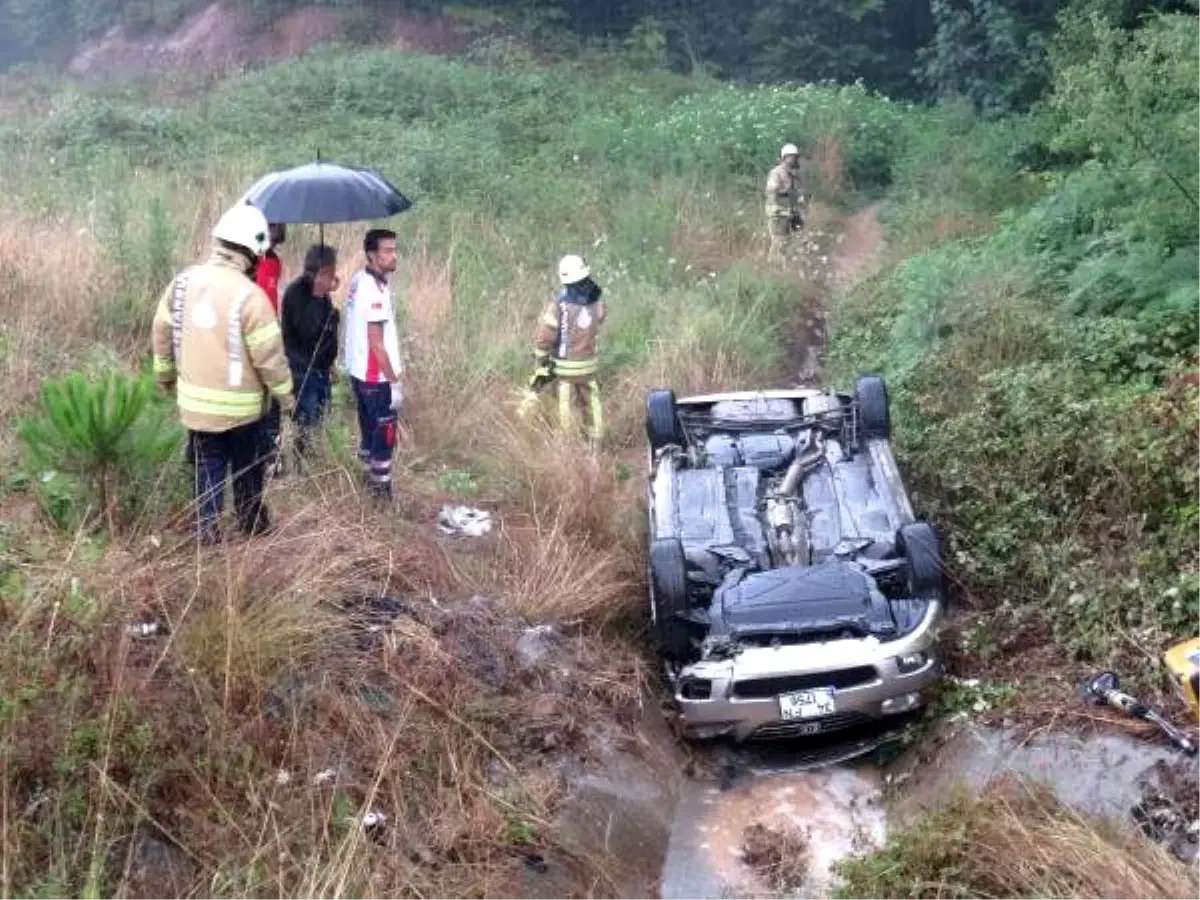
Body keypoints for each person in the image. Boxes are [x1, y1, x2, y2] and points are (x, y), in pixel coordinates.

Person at [151, 202, 294, 545]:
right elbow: (270, 359)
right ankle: (250, 526)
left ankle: (207, 531)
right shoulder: (252, 297)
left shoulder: (181, 284)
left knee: (207, 467)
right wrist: (286, 396)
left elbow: (161, 332)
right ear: (252, 251)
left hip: (196, 406)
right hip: (242, 411)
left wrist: (166, 378)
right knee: (248, 469)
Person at [343, 228, 405, 502]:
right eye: (387, 251)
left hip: (359, 373)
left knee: (369, 433)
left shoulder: (360, 280)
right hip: (375, 377)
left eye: (395, 249)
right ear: (371, 255)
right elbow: (376, 342)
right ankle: (381, 497)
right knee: (384, 436)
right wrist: (394, 382)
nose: (394, 255)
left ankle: (366, 486)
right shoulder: (373, 291)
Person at [532, 254, 607, 443]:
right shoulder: (597, 300)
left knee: (564, 403)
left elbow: (545, 336)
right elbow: (599, 319)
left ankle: (565, 443)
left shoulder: (559, 305)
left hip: (565, 368)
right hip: (589, 366)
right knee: (592, 402)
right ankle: (595, 441)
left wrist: (541, 360)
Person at [281, 243, 340, 469]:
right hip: (302, 371)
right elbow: (308, 333)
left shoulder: (323, 297)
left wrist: (331, 365)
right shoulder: (297, 294)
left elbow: (326, 338)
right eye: (331, 273)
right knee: (305, 423)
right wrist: (329, 319)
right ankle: (300, 467)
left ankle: (314, 464)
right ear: (321, 273)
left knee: (321, 419)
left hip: (321, 371)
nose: (334, 278)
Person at [256, 223, 287, 475]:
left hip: (272, 334)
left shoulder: (274, 260)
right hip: (253, 336)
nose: (282, 228)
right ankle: (257, 456)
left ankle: (271, 456)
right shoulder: (252, 260)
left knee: (274, 399)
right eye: (275, 224)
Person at [765, 143, 805, 264]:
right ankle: (771, 269)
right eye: (791, 157)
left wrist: (797, 211)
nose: (794, 159)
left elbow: (795, 196)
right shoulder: (777, 173)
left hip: (788, 213)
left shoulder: (792, 175)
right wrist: (785, 192)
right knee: (779, 242)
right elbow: (771, 190)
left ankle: (782, 270)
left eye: (795, 157)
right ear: (784, 157)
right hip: (778, 214)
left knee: (786, 243)